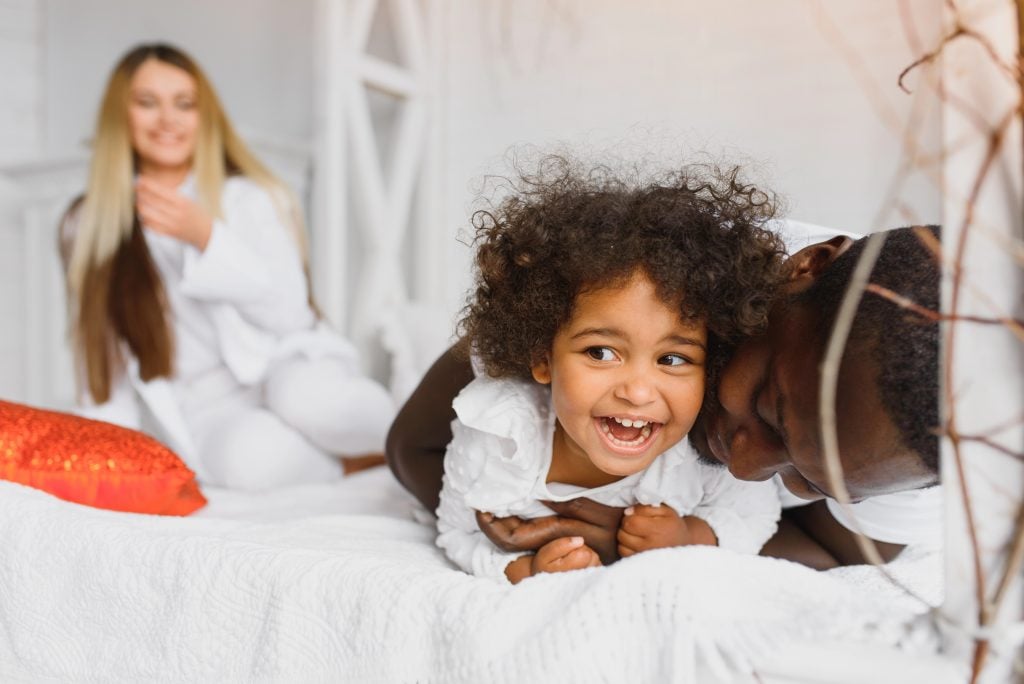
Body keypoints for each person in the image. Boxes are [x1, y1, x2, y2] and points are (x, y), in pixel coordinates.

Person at [387, 220, 942, 569]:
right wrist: (521, 527)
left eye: (812, 482)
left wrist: (644, 540)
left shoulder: (915, 463)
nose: (745, 469)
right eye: (773, 412)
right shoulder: (636, 278)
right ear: (804, 268)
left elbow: (836, 552)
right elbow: (412, 445)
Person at [60, 43, 395, 490]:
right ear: (120, 115)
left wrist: (207, 237)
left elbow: (290, 315)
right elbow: (101, 351)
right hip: (207, 403)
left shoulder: (248, 197)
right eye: (147, 103)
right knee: (247, 461)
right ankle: (351, 466)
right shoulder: (87, 224)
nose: (168, 120)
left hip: (286, 361)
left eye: (184, 104)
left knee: (310, 400)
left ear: (205, 117)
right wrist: (102, 446)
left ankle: (411, 441)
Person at [435, 160, 784, 583]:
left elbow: (757, 512)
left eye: (672, 360)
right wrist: (523, 569)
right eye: (601, 352)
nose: (638, 392)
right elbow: (457, 531)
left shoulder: (700, 451)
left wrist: (690, 536)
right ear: (543, 357)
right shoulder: (498, 439)